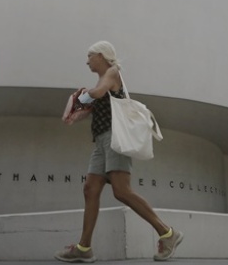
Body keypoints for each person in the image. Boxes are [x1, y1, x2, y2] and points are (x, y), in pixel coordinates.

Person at [55, 41, 182, 263]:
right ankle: (84, 248)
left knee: (121, 191)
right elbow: (93, 105)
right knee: (90, 189)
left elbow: (98, 92)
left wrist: (82, 97)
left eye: (90, 56)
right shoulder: (101, 81)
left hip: (115, 138)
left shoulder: (113, 73)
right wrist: (74, 115)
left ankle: (168, 233)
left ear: (102, 56)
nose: (87, 61)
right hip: (101, 142)